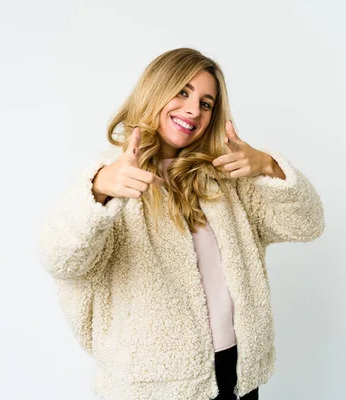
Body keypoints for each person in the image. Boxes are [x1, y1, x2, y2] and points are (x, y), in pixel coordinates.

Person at [37, 47, 325, 400]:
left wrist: (267, 166)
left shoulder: (224, 177)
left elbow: (307, 224)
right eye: (183, 92)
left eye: (206, 103)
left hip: (236, 374)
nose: (193, 109)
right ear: (155, 91)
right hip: (153, 385)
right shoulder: (115, 178)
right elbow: (61, 258)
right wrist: (99, 189)